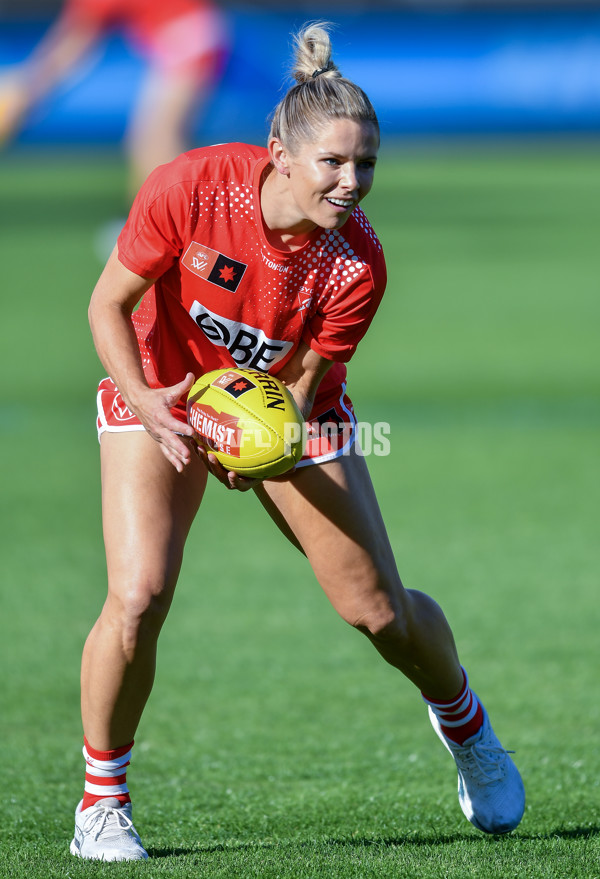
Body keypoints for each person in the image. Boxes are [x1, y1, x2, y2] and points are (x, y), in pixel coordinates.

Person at [70, 22, 526, 862]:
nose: (353, 183)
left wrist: (263, 448)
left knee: (379, 612)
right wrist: (150, 401)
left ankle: (467, 727)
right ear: (279, 149)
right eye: (334, 163)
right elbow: (108, 304)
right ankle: (102, 802)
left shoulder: (357, 264)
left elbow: (306, 388)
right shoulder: (192, 186)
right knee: (137, 597)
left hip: (284, 413)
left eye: (368, 166)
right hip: (159, 389)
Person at [0, 0, 228, 200]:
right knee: (153, 143)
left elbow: (74, 43)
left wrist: (28, 86)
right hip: (192, 36)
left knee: (155, 142)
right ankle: (164, 225)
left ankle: (184, 227)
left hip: (187, 38)